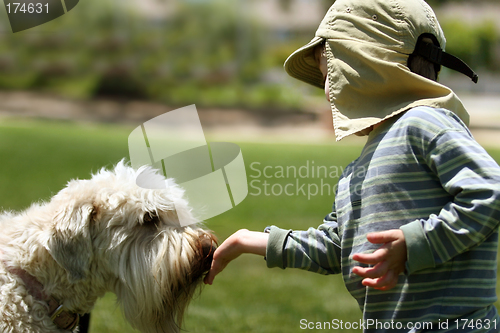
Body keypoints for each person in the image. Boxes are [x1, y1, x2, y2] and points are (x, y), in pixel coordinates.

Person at [205, 0, 500, 331]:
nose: (327, 91)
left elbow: (490, 191)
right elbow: (338, 247)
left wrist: (415, 244)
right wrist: (253, 241)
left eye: (329, 73)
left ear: (368, 65)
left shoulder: (424, 122)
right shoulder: (356, 171)